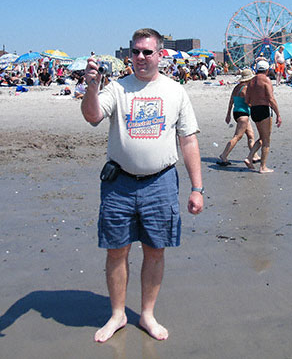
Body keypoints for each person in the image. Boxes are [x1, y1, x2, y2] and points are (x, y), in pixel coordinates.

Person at [81, 28, 203, 343]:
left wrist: (196, 188)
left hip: (160, 183)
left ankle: (147, 314)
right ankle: (118, 314)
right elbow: (92, 116)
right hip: (119, 183)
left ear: (160, 55)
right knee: (116, 251)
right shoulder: (118, 89)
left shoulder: (175, 91)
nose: (141, 57)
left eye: (148, 52)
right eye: (135, 51)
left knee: (155, 250)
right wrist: (92, 86)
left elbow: (188, 140)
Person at [243, 60, 282, 173]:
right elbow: (271, 98)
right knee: (266, 140)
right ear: (267, 70)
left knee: (261, 137)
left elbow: (247, 100)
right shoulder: (266, 80)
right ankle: (263, 167)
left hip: (254, 110)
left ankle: (249, 158)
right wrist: (278, 114)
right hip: (264, 110)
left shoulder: (251, 82)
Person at [217, 68, 259, 166]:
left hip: (236, 113)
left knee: (251, 135)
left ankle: (255, 156)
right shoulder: (245, 89)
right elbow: (249, 103)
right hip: (242, 115)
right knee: (237, 136)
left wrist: (228, 114)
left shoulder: (236, 87)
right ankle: (224, 155)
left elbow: (231, 101)